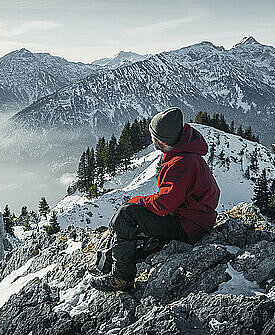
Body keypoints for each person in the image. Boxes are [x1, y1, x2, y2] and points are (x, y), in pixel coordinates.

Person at [90, 107, 220, 291]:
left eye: (153, 136)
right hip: (194, 219)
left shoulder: (181, 163)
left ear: (161, 141)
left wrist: (137, 201)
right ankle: (113, 261)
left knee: (126, 214)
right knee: (134, 218)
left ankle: (121, 278)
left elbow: (164, 204)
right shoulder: (186, 155)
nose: (151, 139)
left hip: (189, 226)